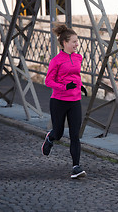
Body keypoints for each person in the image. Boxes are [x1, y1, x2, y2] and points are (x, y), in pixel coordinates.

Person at [41, 23, 88, 179]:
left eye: (77, 41)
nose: (77, 44)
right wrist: (63, 86)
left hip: (75, 100)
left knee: (75, 135)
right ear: (64, 43)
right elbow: (48, 81)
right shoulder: (56, 61)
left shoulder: (78, 57)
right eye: (74, 41)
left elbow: (75, 76)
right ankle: (50, 137)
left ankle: (76, 167)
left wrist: (80, 86)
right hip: (59, 101)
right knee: (59, 133)